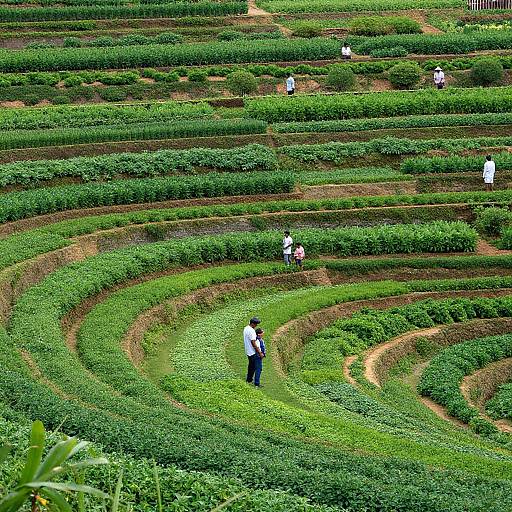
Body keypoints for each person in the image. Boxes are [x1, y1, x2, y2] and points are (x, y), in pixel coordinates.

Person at [244, 317, 264, 385]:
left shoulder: (246, 328)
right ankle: (250, 380)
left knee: (251, 366)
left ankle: (249, 379)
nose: (256, 326)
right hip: (252, 352)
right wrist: (260, 352)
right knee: (254, 367)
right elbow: (253, 343)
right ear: (252, 323)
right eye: (255, 324)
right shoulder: (252, 331)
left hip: (247, 350)